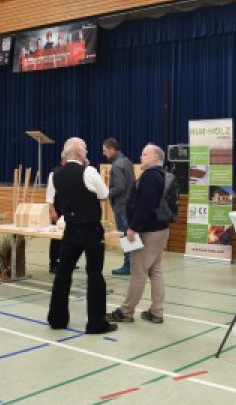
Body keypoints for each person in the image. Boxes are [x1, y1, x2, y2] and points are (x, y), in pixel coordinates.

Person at [47, 137, 116, 334]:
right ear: (78, 152)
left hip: (70, 230)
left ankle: (57, 318)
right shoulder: (89, 171)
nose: (86, 152)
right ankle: (96, 323)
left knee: (63, 274)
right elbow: (104, 195)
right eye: (85, 149)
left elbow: (52, 199)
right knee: (94, 275)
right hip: (91, 231)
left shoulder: (55, 175)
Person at [107, 143, 170, 324]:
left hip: (148, 231)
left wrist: (133, 227)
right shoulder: (160, 175)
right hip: (160, 230)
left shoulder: (150, 176)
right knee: (155, 270)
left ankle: (126, 311)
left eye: (145, 154)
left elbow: (145, 205)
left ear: (156, 158)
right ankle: (157, 312)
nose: (141, 157)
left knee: (138, 272)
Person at [102, 138, 135, 275]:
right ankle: (134, 264)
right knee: (130, 236)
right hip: (129, 204)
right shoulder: (127, 161)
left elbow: (120, 187)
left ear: (111, 149)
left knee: (125, 235)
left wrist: (105, 193)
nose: (104, 154)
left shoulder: (116, 166)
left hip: (121, 206)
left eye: (105, 151)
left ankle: (129, 265)